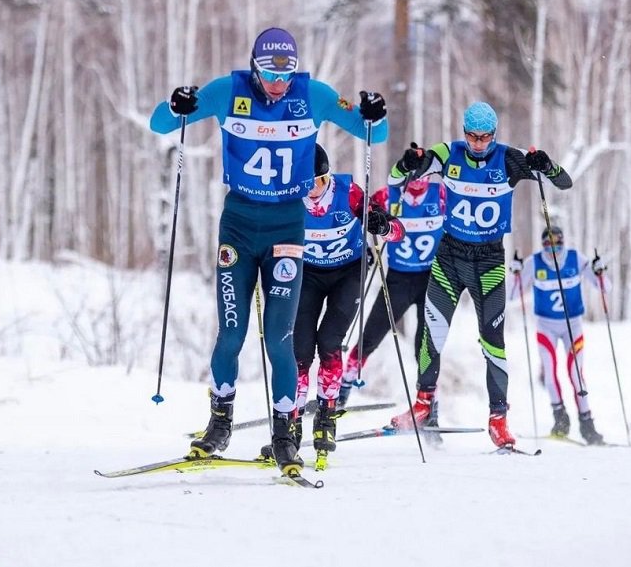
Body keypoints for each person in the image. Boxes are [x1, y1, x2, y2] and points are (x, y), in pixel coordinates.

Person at [149, 27, 388, 474]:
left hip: (286, 226)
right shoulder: (228, 91)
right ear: (255, 66)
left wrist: (373, 112)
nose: (278, 84)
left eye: (287, 74)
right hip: (238, 225)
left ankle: (283, 436)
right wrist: (175, 103)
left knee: (280, 339)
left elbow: (373, 133)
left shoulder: (313, 95)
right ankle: (219, 424)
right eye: (270, 73)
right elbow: (161, 123)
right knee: (231, 335)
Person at [385, 101, 572, 450]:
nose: (478, 144)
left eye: (485, 137)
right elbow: (396, 178)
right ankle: (424, 405)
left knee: (493, 341)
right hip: (449, 258)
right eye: (472, 136)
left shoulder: (509, 157)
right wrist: (408, 163)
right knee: (432, 336)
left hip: (489, 263)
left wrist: (545, 164)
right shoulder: (448, 153)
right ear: (464, 132)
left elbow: (563, 182)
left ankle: (498, 419)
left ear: (494, 134)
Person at [293, 144, 404, 457]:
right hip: (309, 275)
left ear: (328, 177)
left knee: (329, 341)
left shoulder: (349, 193)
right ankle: (293, 419)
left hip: (348, 273)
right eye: (306, 182)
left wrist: (382, 225)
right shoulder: (289, 197)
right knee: (300, 348)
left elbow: (398, 231)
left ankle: (327, 416)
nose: (313, 190)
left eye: (319, 181)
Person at [338, 173, 447, 409]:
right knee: (371, 335)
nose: (419, 181)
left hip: (432, 279)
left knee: (426, 346)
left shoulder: (440, 194)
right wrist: (365, 247)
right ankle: (343, 386)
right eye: (414, 175)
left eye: (425, 175)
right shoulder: (389, 196)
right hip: (399, 279)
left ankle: (429, 405)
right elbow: (362, 215)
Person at [508, 225, 607, 445]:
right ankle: (560, 419)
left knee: (575, 374)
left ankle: (587, 425)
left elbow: (604, 287)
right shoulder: (534, 263)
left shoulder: (575, 258)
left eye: (557, 242)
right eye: (547, 243)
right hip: (547, 327)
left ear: (564, 242)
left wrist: (599, 271)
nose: (553, 248)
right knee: (550, 375)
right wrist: (514, 273)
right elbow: (512, 295)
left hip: (573, 326)